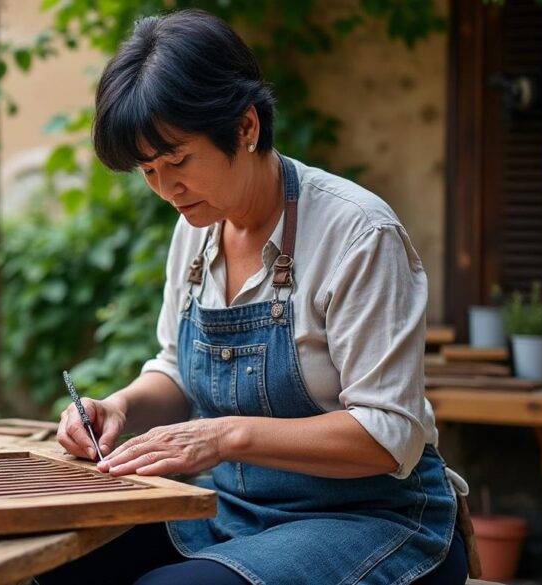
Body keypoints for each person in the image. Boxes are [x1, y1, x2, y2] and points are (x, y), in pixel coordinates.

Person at [42, 9, 470, 585]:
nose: (166, 189)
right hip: (233, 512)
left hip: (373, 519)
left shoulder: (358, 234)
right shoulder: (195, 229)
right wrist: (119, 407)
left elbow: (387, 435)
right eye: (148, 170)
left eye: (178, 161)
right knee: (56, 561)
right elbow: (176, 370)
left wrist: (224, 436)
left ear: (245, 127)